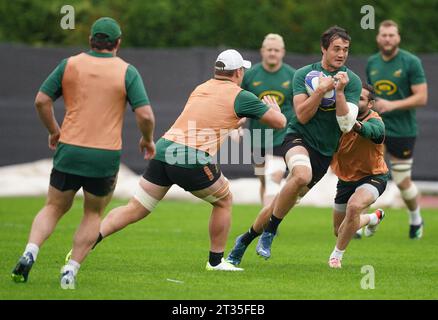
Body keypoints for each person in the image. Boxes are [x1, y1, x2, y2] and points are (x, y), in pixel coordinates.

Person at [77, 49, 286, 274]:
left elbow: (206, 118)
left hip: (165, 149)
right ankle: (215, 262)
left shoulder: (201, 88)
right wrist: (275, 109)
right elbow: (279, 123)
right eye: (242, 70)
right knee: (224, 201)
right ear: (237, 72)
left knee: (136, 208)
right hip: (190, 156)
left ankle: (87, 242)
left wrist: (231, 123)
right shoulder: (240, 95)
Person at [11, 17, 156, 289]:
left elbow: (41, 100)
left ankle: (30, 252)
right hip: (104, 155)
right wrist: (148, 140)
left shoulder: (70, 64)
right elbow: (145, 115)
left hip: (70, 148)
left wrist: (54, 130)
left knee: (53, 207)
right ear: (118, 44)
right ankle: (70, 270)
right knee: (92, 214)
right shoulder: (127, 71)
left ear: (91, 40)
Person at [226, 26, 361, 266]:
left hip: (324, 151)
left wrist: (339, 92)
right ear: (324, 48)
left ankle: (244, 241)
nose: (341, 54)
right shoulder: (303, 75)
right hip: (296, 137)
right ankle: (269, 233)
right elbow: (302, 115)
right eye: (336, 49)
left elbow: (346, 124)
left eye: (346, 50)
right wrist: (320, 91)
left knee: (280, 201)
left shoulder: (352, 81)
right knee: (300, 174)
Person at [366, 20, 428, 239]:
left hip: (403, 131)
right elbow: (369, 96)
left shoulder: (411, 62)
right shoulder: (372, 62)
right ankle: (360, 220)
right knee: (367, 174)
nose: (388, 39)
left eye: (392, 35)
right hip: (377, 128)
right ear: (378, 38)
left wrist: (392, 105)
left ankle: (415, 218)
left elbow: (422, 97)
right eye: (384, 35)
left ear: (398, 38)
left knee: (402, 181)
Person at [328, 83, 389, 268]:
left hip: (373, 176)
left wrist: (354, 125)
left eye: (361, 98)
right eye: (354, 97)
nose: (355, 101)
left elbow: (376, 133)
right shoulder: (338, 118)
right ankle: (372, 218)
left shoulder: (375, 120)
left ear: (370, 104)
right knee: (340, 230)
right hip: (345, 179)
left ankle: (336, 257)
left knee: (354, 207)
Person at [242, 33, 296, 208]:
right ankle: (266, 215)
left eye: (276, 50)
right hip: (257, 136)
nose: (272, 53)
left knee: (274, 176)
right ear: (262, 51)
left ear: (283, 52)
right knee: (264, 180)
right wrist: (236, 125)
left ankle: (268, 223)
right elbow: (238, 103)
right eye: (269, 50)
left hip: (282, 135)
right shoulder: (250, 75)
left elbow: (301, 105)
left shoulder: (292, 76)